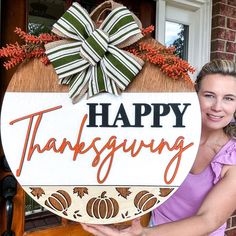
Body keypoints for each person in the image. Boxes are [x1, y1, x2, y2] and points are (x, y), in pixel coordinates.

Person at [81, 59, 236, 236]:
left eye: (228, 98)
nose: (217, 107)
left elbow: (208, 220)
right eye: (209, 95)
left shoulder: (231, 158)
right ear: (195, 94)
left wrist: (142, 234)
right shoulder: (167, 134)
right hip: (154, 226)